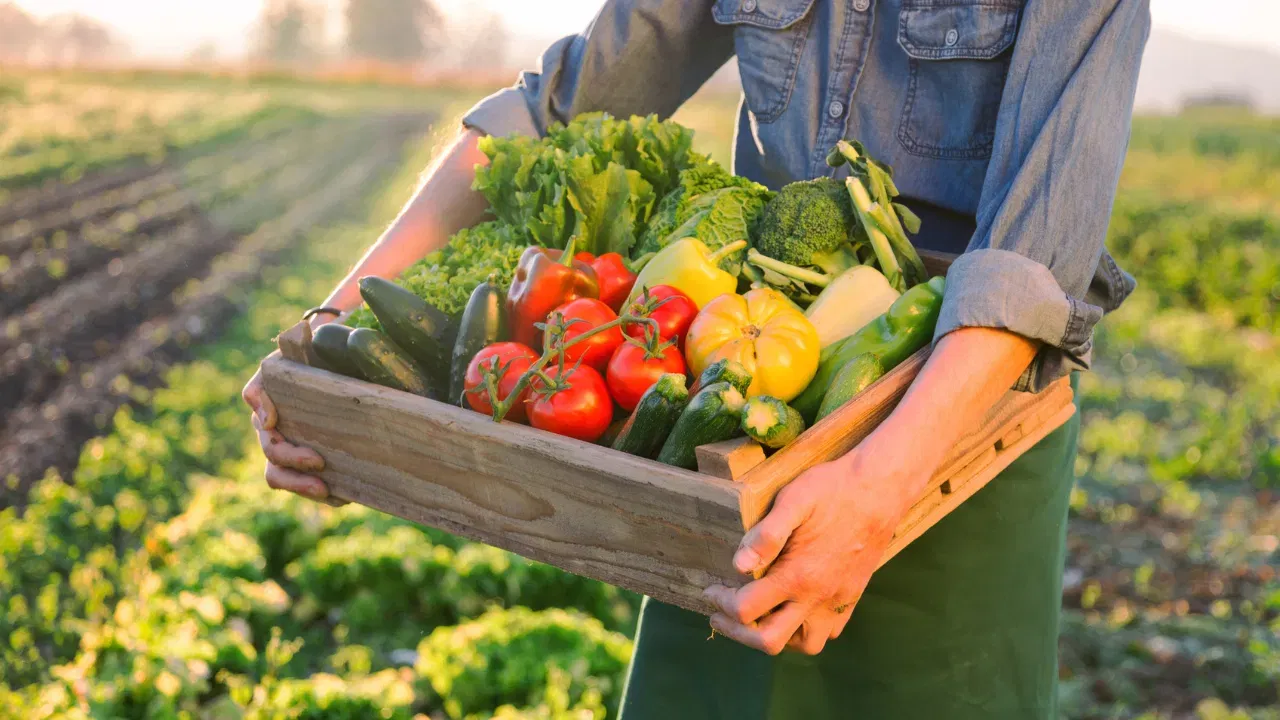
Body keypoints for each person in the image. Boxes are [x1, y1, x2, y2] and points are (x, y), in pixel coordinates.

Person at [242, 0, 1150, 716]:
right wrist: (328, 328)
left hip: (960, 424)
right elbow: (559, 107)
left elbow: (1034, 255)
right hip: (747, 418)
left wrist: (879, 492)